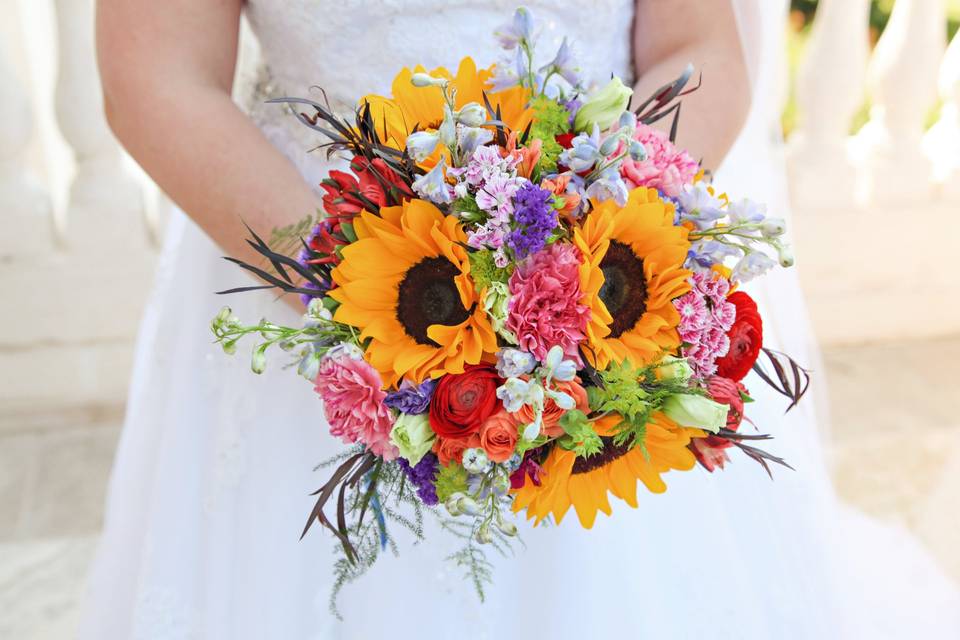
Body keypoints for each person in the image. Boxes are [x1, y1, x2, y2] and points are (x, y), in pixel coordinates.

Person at [80, 1, 960, 637]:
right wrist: (363, 302)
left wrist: (606, 259)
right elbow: (157, 76)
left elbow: (699, 48)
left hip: (599, 299)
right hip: (302, 271)